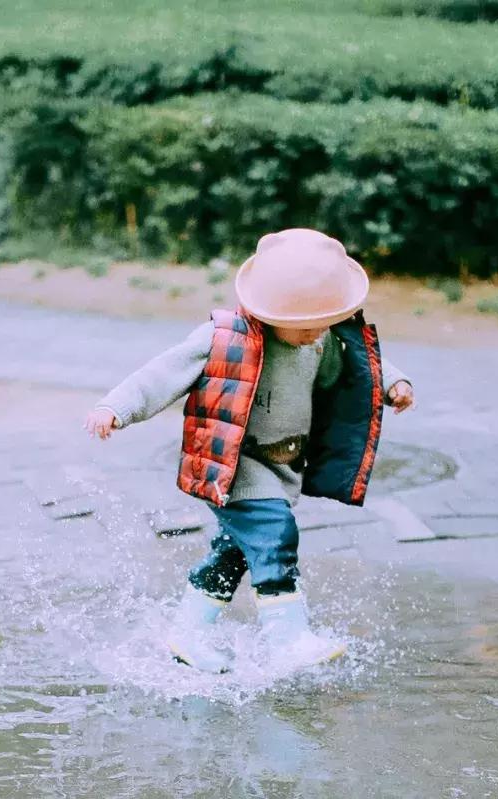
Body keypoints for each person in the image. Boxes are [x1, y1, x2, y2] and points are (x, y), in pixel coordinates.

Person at [84, 228, 414, 673]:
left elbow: (360, 365)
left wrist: (392, 383)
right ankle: (288, 640)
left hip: (284, 464)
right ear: (270, 309)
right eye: (305, 324)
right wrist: (116, 407)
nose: (317, 332)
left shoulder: (320, 340)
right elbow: (161, 373)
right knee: (275, 535)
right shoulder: (224, 338)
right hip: (234, 462)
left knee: (234, 552)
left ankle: (188, 632)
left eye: (325, 321)